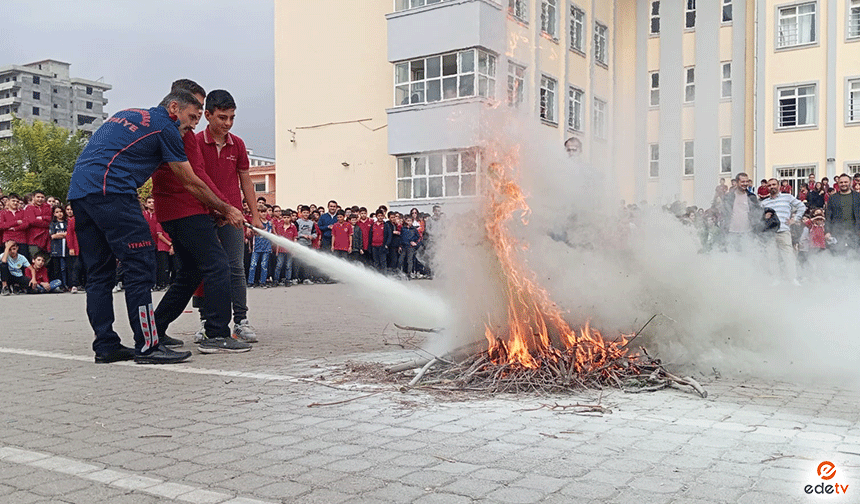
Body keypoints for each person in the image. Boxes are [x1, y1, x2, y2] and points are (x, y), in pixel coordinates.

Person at [67, 88, 242, 365]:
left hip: (79, 193)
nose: (193, 124)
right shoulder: (165, 127)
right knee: (140, 267)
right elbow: (190, 180)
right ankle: (148, 345)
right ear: (174, 107)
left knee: (99, 273)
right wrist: (225, 208)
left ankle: (106, 345)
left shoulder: (128, 114)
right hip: (112, 192)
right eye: (192, 117)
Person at [149, 81, 250, 355]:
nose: (196, 117)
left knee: (190, 274)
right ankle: (216, 332)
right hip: (186, 210)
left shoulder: (173, 132)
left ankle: (156, 329)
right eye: (195, 109)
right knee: (218, 266)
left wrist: (219, 208)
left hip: (174, 211)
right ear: (177, 103)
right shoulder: (180, 135)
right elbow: (197, 177)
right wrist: (225, 207)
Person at [196, 89, 262, 342]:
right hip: (204, 213)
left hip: (233, 214)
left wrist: (253, 216)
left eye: (232, 118)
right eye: (222, 117)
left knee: (236, 267)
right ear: (208, 115)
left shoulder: (238, 144)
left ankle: (241, 320)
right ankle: (206, 321)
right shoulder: (196, 144)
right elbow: (195, 179)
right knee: (206, 268)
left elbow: (246, 181)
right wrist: (215, 208)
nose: (227, 123)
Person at [761, 178, 806, 285]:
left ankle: (792, 278)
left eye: (774, 184)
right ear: (767, 187)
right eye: (769, 185)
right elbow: (758, 217)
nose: (772, 187)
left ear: (778, 186)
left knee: (788, 256)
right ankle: (776, 279)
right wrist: (764, 216)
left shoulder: (787, 197)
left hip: (784, 231)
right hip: (769, 233)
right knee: (772, 256)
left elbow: (802, 206)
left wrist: (794, 220)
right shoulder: (764, 202)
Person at [721, 173, 761, 251]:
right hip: (731, 232)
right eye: (742, 182)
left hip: (748, 232)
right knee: (732, 256)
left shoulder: (752, 197)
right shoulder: (729, 196)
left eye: (747, 181)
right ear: (737, 182)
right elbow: (724, 213)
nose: (745, 184)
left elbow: (757, 213)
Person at [825, 174, 860, 255]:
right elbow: (828, 216)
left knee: (855, 257)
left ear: (850, 183)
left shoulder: (858, 196)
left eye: (845, 182)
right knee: (838, 256)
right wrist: (827, 231)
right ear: (838, 184)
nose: (843, 184)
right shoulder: (833, 198)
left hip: (856, 232)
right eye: (841, 182)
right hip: (838, 233)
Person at [24, 190, 52, 260]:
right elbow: (32, 221)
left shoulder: (47, 207)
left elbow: (51, 219)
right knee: (34, 260)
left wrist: (42, 217)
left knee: (46, 261)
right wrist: (46, 222)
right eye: (38, 197)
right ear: (33, 197)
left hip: (46, 239)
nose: (40, 199)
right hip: (33, 239)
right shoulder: (29, 208)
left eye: (42, 197)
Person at [248, 211, 272, 288]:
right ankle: (250, 282)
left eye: (264, 212)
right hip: (256, 247)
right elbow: (252, 233)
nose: (264, 214)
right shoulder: (255, 222)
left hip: (266, 247)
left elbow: (269, 233)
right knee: (253, 265)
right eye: (261, 212)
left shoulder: (269, 223)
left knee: (264, 265)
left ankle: (263, 282)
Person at [295, 205, 317, 283]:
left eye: (307, 213)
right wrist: (302, 235)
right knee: (298, 262)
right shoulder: (297, 222)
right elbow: (295, 233)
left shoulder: (311, 223)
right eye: (304, 213)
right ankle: (296, 278)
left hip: (308, 244)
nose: (306, 214)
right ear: (301, 213)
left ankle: (306, 278)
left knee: (306, 262)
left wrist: (311, 236)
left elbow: (315, 233)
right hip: (300, 244)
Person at [65, 204, 85, 294]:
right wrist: (71, 247)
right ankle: (74, 285)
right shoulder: (72, 220)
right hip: (76, 247)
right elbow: (69, 234)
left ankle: (85, 284)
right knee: (76, 267)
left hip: (86, 247)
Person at [49, 205, 69, 288]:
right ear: (54, 214)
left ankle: (66, 284)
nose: (59, 214)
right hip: (56, 249)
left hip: (66, 248)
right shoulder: (53, 224)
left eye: (61, 211)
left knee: (65, 268)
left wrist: (59, 234)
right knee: (57, 268)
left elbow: (70, 234)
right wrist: (64, 234)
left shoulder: (67, 223)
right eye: (57, 212)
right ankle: (58, 285)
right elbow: (52, 236)